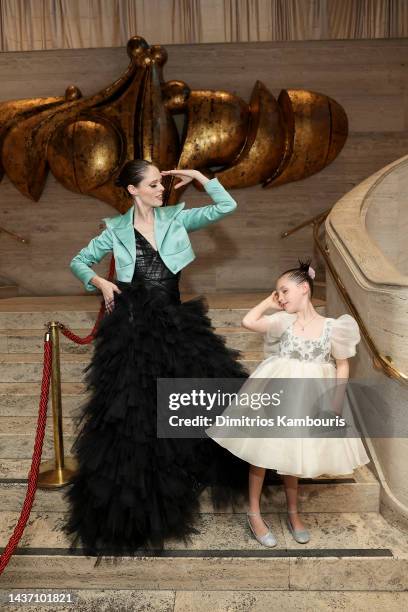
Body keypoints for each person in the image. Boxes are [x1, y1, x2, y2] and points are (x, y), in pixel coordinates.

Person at [62, 160, 248, 563]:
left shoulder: (177, 216)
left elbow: (226, 207)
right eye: (152, 184)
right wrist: (100, 281)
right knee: (138, 412)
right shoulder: (114, 228)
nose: (161, 189)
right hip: (132, 327)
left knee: (194, 395)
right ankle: (145, 492)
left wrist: (200, 179)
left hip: (176, 323)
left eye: (162, 183)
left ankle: (190, 471)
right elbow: (78, 261)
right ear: (132, 190)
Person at [206, 258, 370, 547]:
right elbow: (248, 322)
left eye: (284, 291)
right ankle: (254, 513)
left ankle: (293, 513)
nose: (280, 298)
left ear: (304, 288)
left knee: (293, 453)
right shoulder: (283, 321)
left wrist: (334, 402)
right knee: (261, 451)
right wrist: (267, 302)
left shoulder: (333, 327)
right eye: (277, 293)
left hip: (310, 397)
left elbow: (342, 365)